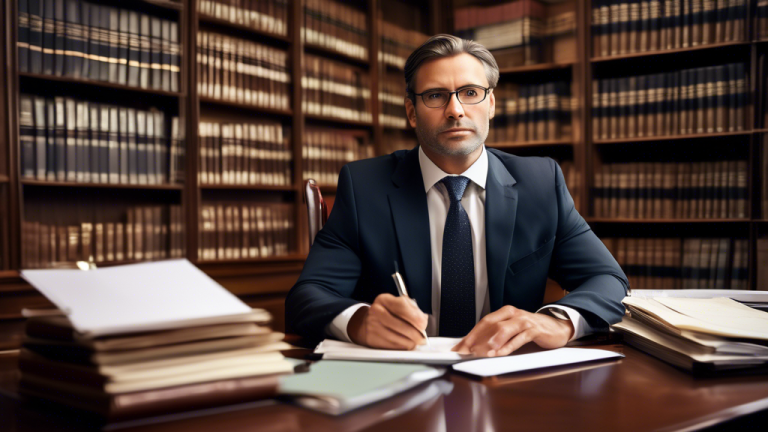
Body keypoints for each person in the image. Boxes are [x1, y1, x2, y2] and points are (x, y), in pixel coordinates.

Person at [286, 34, 628, 357]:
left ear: (491, 103)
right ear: (411, 111)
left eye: (470, 92)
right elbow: (307, 296)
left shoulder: (541, 183)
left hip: (509, 378)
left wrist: (557, 321)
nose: (455, 110)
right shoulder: (365, 186)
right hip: (403, 381)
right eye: (435, 95)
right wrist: (360, 321)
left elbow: (608, 279)